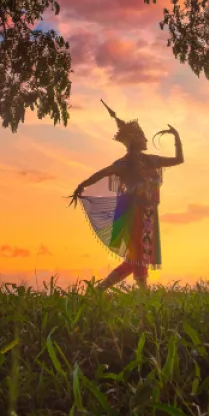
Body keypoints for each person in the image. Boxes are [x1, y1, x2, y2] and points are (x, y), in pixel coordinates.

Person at [70, 101, 184, 289]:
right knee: (137, 257)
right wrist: (83, 185)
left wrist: (177, 137)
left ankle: (125, 293)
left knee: (140, 258)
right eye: (142, 136)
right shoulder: (124, 164)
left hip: (149, 214)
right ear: (135, 140)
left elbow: (178, 160)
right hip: (135, 213)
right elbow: (103, 172)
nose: (146, 139)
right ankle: (111, 291)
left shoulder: (150, 160)